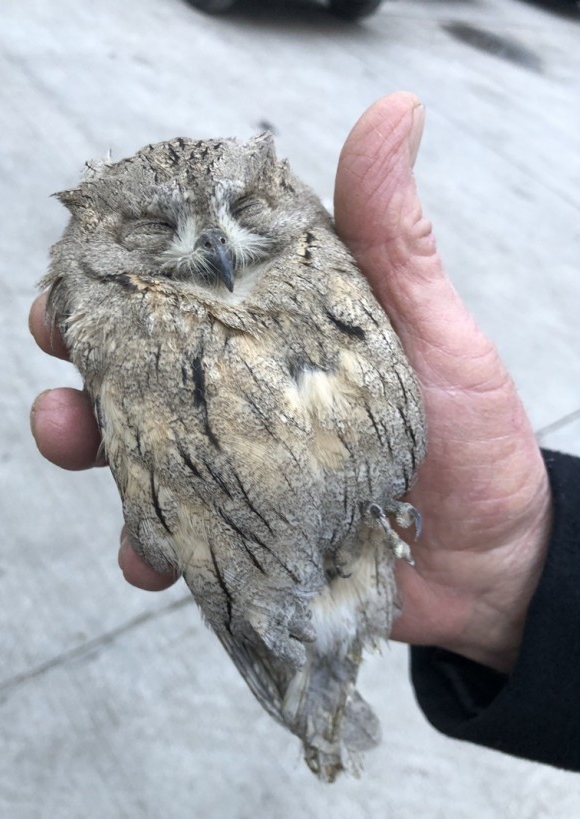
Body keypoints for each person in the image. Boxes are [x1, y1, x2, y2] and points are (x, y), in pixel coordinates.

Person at [29, 92, 580, 771]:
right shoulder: (104, 304)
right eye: (152, 228)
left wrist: (519, 555)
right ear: (104, 230)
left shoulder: (316, 253)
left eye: (245, 211)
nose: (218, 250)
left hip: (385, 515)